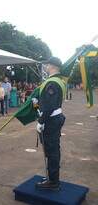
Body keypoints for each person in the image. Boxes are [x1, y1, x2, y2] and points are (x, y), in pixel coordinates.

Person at [35, 57, 66, 191]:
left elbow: (50, 105)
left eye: (47, 65)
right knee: (52, 149)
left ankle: (53, 181)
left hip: (51, 120)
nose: (45, 67)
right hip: (54, 118)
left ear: (52, 66)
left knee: (52, 150)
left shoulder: (52, 82)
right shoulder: (58, 80)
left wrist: (41, 121)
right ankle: (52, 178)